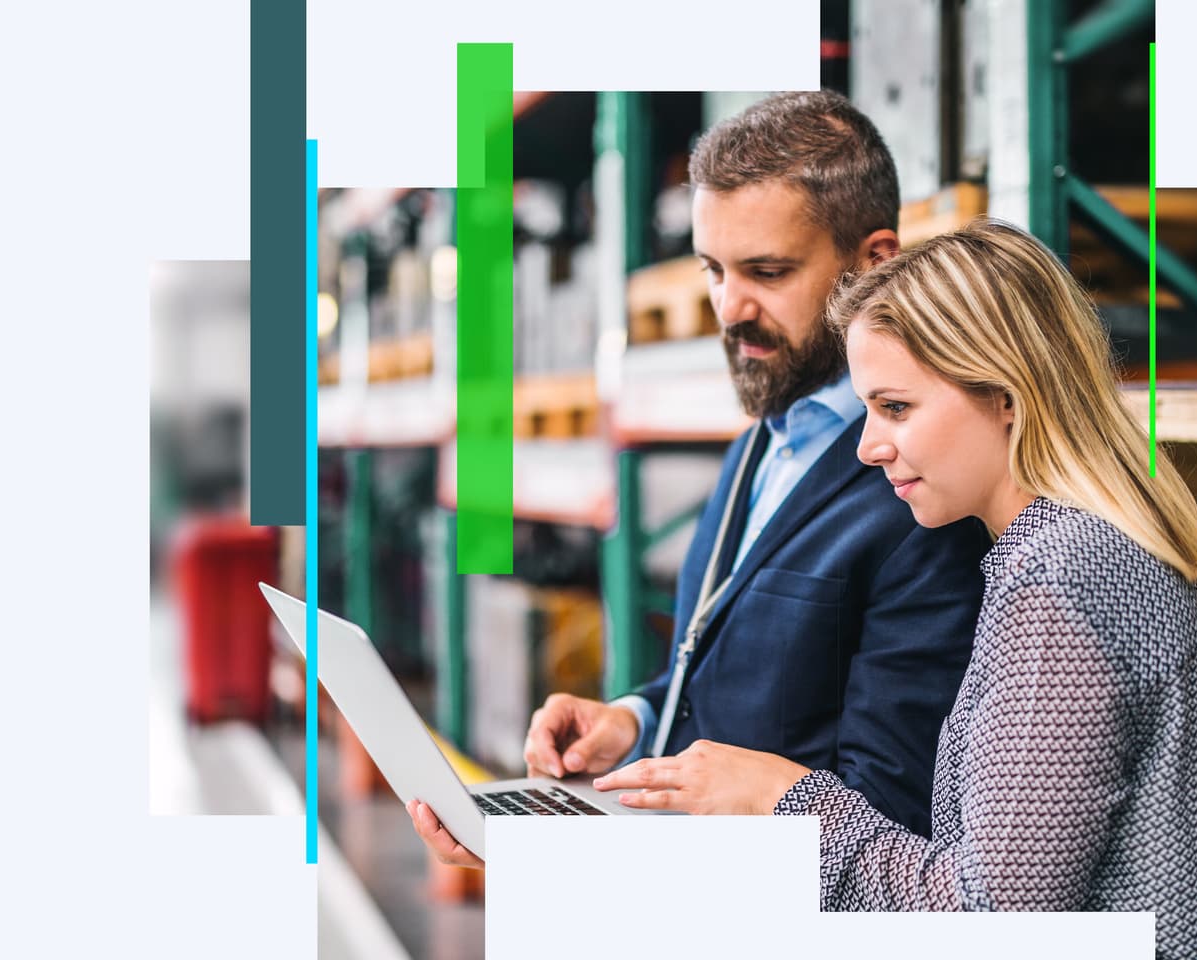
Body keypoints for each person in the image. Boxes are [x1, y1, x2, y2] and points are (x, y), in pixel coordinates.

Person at [604, 219, 1197, 956]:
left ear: (1007, 394)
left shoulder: (1059, 577)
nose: (868, 447)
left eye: (896, 407)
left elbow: (985, 921)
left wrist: (785, 801)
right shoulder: (1147, 548)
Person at [408, 91, 993, 865]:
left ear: (874, 261)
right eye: (713, 269)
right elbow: (741, 674)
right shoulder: (768, 436)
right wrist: (635, 720)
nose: (728, 307)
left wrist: (580, 861)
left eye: (768, 271)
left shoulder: (921, 490)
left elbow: (891, 825)